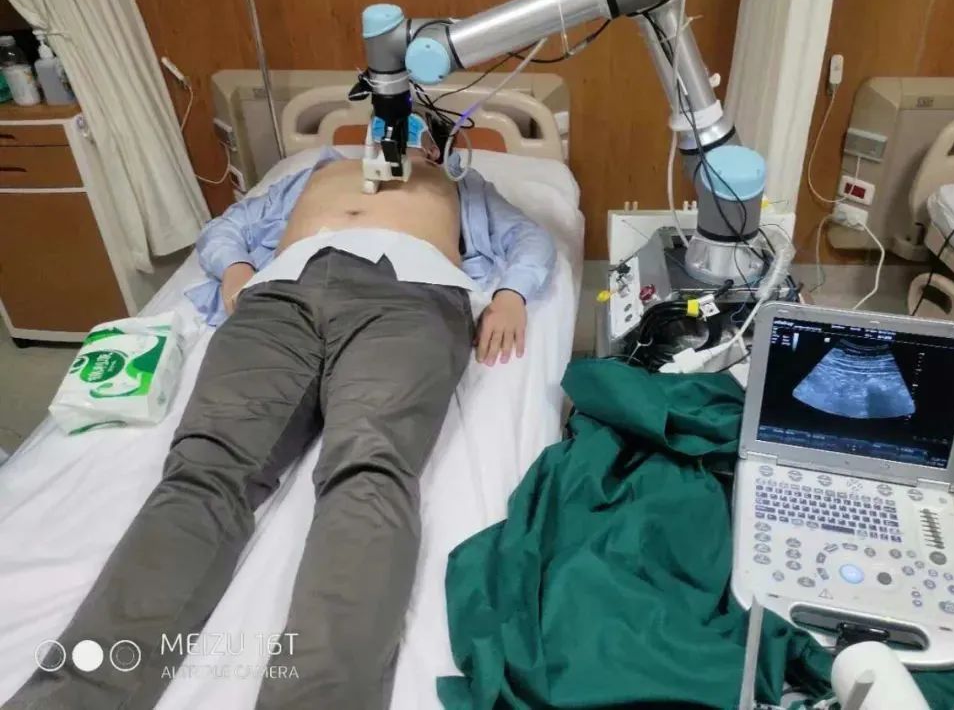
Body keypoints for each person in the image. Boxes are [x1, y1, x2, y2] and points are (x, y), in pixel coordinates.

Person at [6, 135, 555, 710]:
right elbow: (227, 229)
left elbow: (528, 239)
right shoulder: (315, 172)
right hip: (279, 294)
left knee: (369, 469)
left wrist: (511, 295)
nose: (395, 131)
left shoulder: (457, 183)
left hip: (409, 296)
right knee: (202, 472)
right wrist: (235, 267)